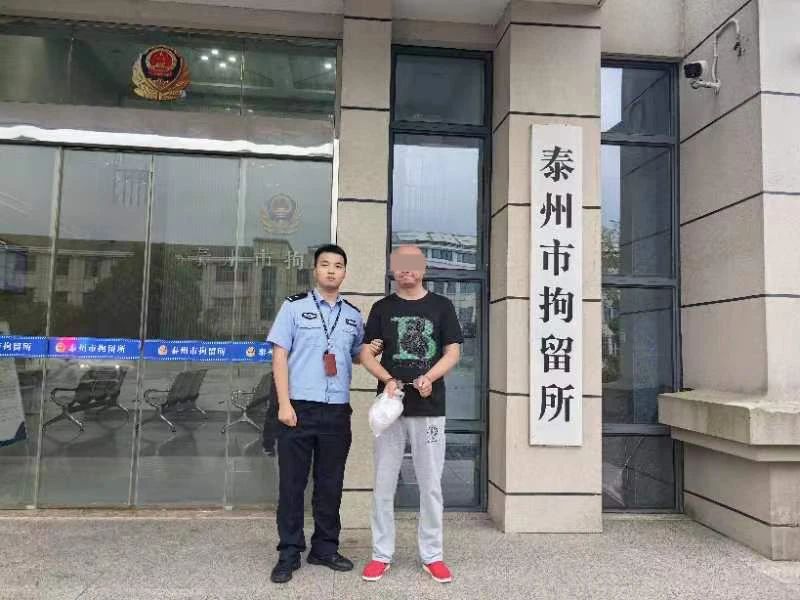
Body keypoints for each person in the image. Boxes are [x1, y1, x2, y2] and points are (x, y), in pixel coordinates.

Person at [266, 243, 374, 584]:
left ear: (344, 273)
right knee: (292, 485)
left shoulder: (353, 315)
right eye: (325, 264)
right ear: (315, 270)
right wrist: (284, 404)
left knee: (330, 484)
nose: (331, 270)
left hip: (336, 411)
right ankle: (289, 551)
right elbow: (279, 356)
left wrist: (373, 348)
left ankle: (325, 548)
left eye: (338, 265)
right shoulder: (294, 307)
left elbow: (356, 355)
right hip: (298, 408)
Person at [358, 244, 463, 584]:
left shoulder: (442, 306)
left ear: (423, 268)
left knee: (430, 484)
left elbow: (453, 352)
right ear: (393, 269)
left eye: (412, 263)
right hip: (391, 408)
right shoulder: (382, 308)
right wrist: (387, 378)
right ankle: (380, 554)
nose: (406, 269)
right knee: (383, 483)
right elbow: (366, 353)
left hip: (429, 408)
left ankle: (432, 555)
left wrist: (430, 377)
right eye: (400, 263)